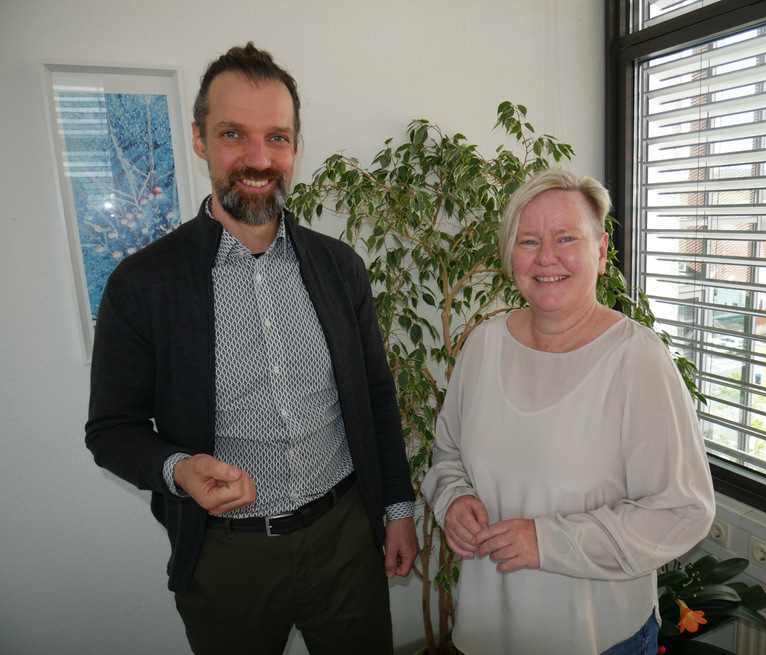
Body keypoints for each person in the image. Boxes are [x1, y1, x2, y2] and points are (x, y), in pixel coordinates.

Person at [86, 42, 418, 655]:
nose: (259, 159)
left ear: (294, 146)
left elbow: (375, 395)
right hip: (225, 555)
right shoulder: (142, 283)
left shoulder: (339, 267)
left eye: (278, 138)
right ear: (200, 140)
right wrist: (179, 469)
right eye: (234, 134)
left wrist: (397, 508)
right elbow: (112, 430)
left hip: (346, 539)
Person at [421, 169, 715, 655]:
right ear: (510, 256)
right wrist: (452, 500)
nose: (546, 258)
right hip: (488, 632)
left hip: (599, 638)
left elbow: (682, 510)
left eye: (566, 239)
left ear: (600, 253)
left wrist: (548, 541)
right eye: (529, 241)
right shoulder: (483, 344)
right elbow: (447, 454)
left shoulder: (636, 359)